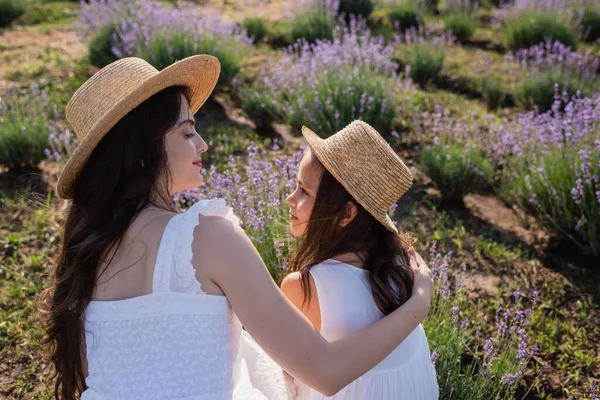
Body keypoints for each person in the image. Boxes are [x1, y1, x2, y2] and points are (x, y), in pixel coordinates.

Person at [38, 55, 434, 400]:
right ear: (144, 149)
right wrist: (417, 305)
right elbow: (326, 372)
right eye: (187, 131)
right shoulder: (206, 238)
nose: (203, 143)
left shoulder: (86, 251)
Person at [281, 120, 439, 399]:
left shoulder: (306, 287)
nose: (290, 199)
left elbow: (291, 379)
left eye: (304, 191)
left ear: (346, 214)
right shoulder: (402, 269)